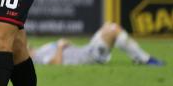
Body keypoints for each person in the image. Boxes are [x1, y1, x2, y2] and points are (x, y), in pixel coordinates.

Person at [31, 22, 164, 66]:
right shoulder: (37, 57)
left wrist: (65, 45)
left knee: (109, 25)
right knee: (114, 30)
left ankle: (138, 57)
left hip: (85, 49)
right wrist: (60, 46)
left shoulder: (41, 48)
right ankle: (145, 59)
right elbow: (56, 63)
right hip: (88, 56)